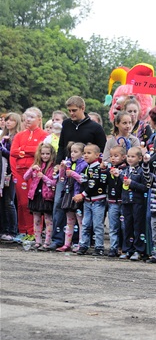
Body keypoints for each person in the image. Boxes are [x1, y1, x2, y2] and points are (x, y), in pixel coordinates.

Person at [51, 96, 106, 250]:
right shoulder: (67, 124)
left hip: (84, 174)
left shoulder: (95, 128)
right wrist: (57, 165)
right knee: (59, 203)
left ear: (83, 108)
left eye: (74, 110)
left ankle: (80, 241)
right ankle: (58, 239)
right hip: (66, 171)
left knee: (79, 210)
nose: (71, 114)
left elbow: (101, 151)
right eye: (69, 111)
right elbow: (62, 146)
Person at [9, 107, 48, 240]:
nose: (28, 119)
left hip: (35, 172)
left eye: (31, 117)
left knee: (33, 202)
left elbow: (40, 150)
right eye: (26, 117)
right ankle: (22, 230)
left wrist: (23, 149)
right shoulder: (20, 135)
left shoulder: (43, 135)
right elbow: (13, 152)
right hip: (20, 172)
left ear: (39, 119)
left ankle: (33, 231)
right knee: (21, 202)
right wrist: (28, 150)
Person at [75, 144, 108, 256]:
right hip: (87, 201)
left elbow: (93, 185)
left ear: (97, 155)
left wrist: (82, 195)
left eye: (89, 153)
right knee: (85, 223)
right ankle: (83, 245)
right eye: (84, 153)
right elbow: (84, 183)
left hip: (97, 200)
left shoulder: (98, 168)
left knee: (98, 224)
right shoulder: (87, 168)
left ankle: (99, 246)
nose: (85, 155)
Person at [23, 142, 56, 250]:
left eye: (47, 154)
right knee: (36, 219)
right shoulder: (36, 165)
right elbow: (25, 177)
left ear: (51, 154)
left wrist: (44, 177)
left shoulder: (53, 167)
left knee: (48, 219)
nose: (45, 156)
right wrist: (32, 168)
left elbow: (53, 183)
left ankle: (47, 241)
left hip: (47, 196)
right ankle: (38, 241)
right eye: (43, 154)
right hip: (35, 195)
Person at [55, 142, 87, 252]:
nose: (72, 154)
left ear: (82, 154)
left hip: (77, 195)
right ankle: (66, 244)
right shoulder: (69, 163)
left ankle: (81, 244)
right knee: (69, 221)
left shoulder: (84, 165)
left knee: (80, 221)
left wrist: (72, 173)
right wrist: (62, 169)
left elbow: (83, 180)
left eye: (75, 152)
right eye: (71, 151)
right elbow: (61, 179)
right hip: (69, 194)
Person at [120, 147, 149, 261]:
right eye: (128, 156)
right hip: (126, 201)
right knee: (127, 226)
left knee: (138, 226)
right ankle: (127, 249)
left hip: (137, 202)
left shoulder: (142, 171)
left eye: (133, 156)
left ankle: (138, 249)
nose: (130, 159)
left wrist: (132, 183)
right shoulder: (125, 170)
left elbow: (145, 187)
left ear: (140, 158)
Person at [0, 112, 21, 242]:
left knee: (9, 202)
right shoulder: (3, 136)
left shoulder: (16, 137)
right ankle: (4, 229)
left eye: (11, 120)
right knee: (2, 202)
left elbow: (13, 155)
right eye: (7, 120)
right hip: (2, 172)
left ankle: (12, 230)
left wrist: (2, 149)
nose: (8, 122)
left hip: (11, 172)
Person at [106, 146, 127, 258]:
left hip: (123, 202)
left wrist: (119, 175)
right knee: (113, 227)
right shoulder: (108, 169)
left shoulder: (126, 169)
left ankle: (124, 248)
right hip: (112, 202)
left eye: (116, 156)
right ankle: (113, 248)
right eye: (111, 156)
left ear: (123, 157)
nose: (113, 158)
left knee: (124, 226)